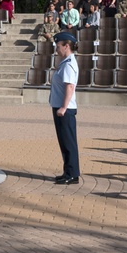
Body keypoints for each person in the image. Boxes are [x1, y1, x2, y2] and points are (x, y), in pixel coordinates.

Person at [50, 31, 81, 184]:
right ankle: (67, 171)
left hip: (65, 110)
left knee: (68, 142)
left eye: (58, 45)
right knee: (64, 141)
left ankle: (72, 174)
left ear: (66, 46)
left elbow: (70, 87)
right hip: (60, 108)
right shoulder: (65, 62)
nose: (56, 48)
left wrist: (63, 107)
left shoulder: (69, 64)